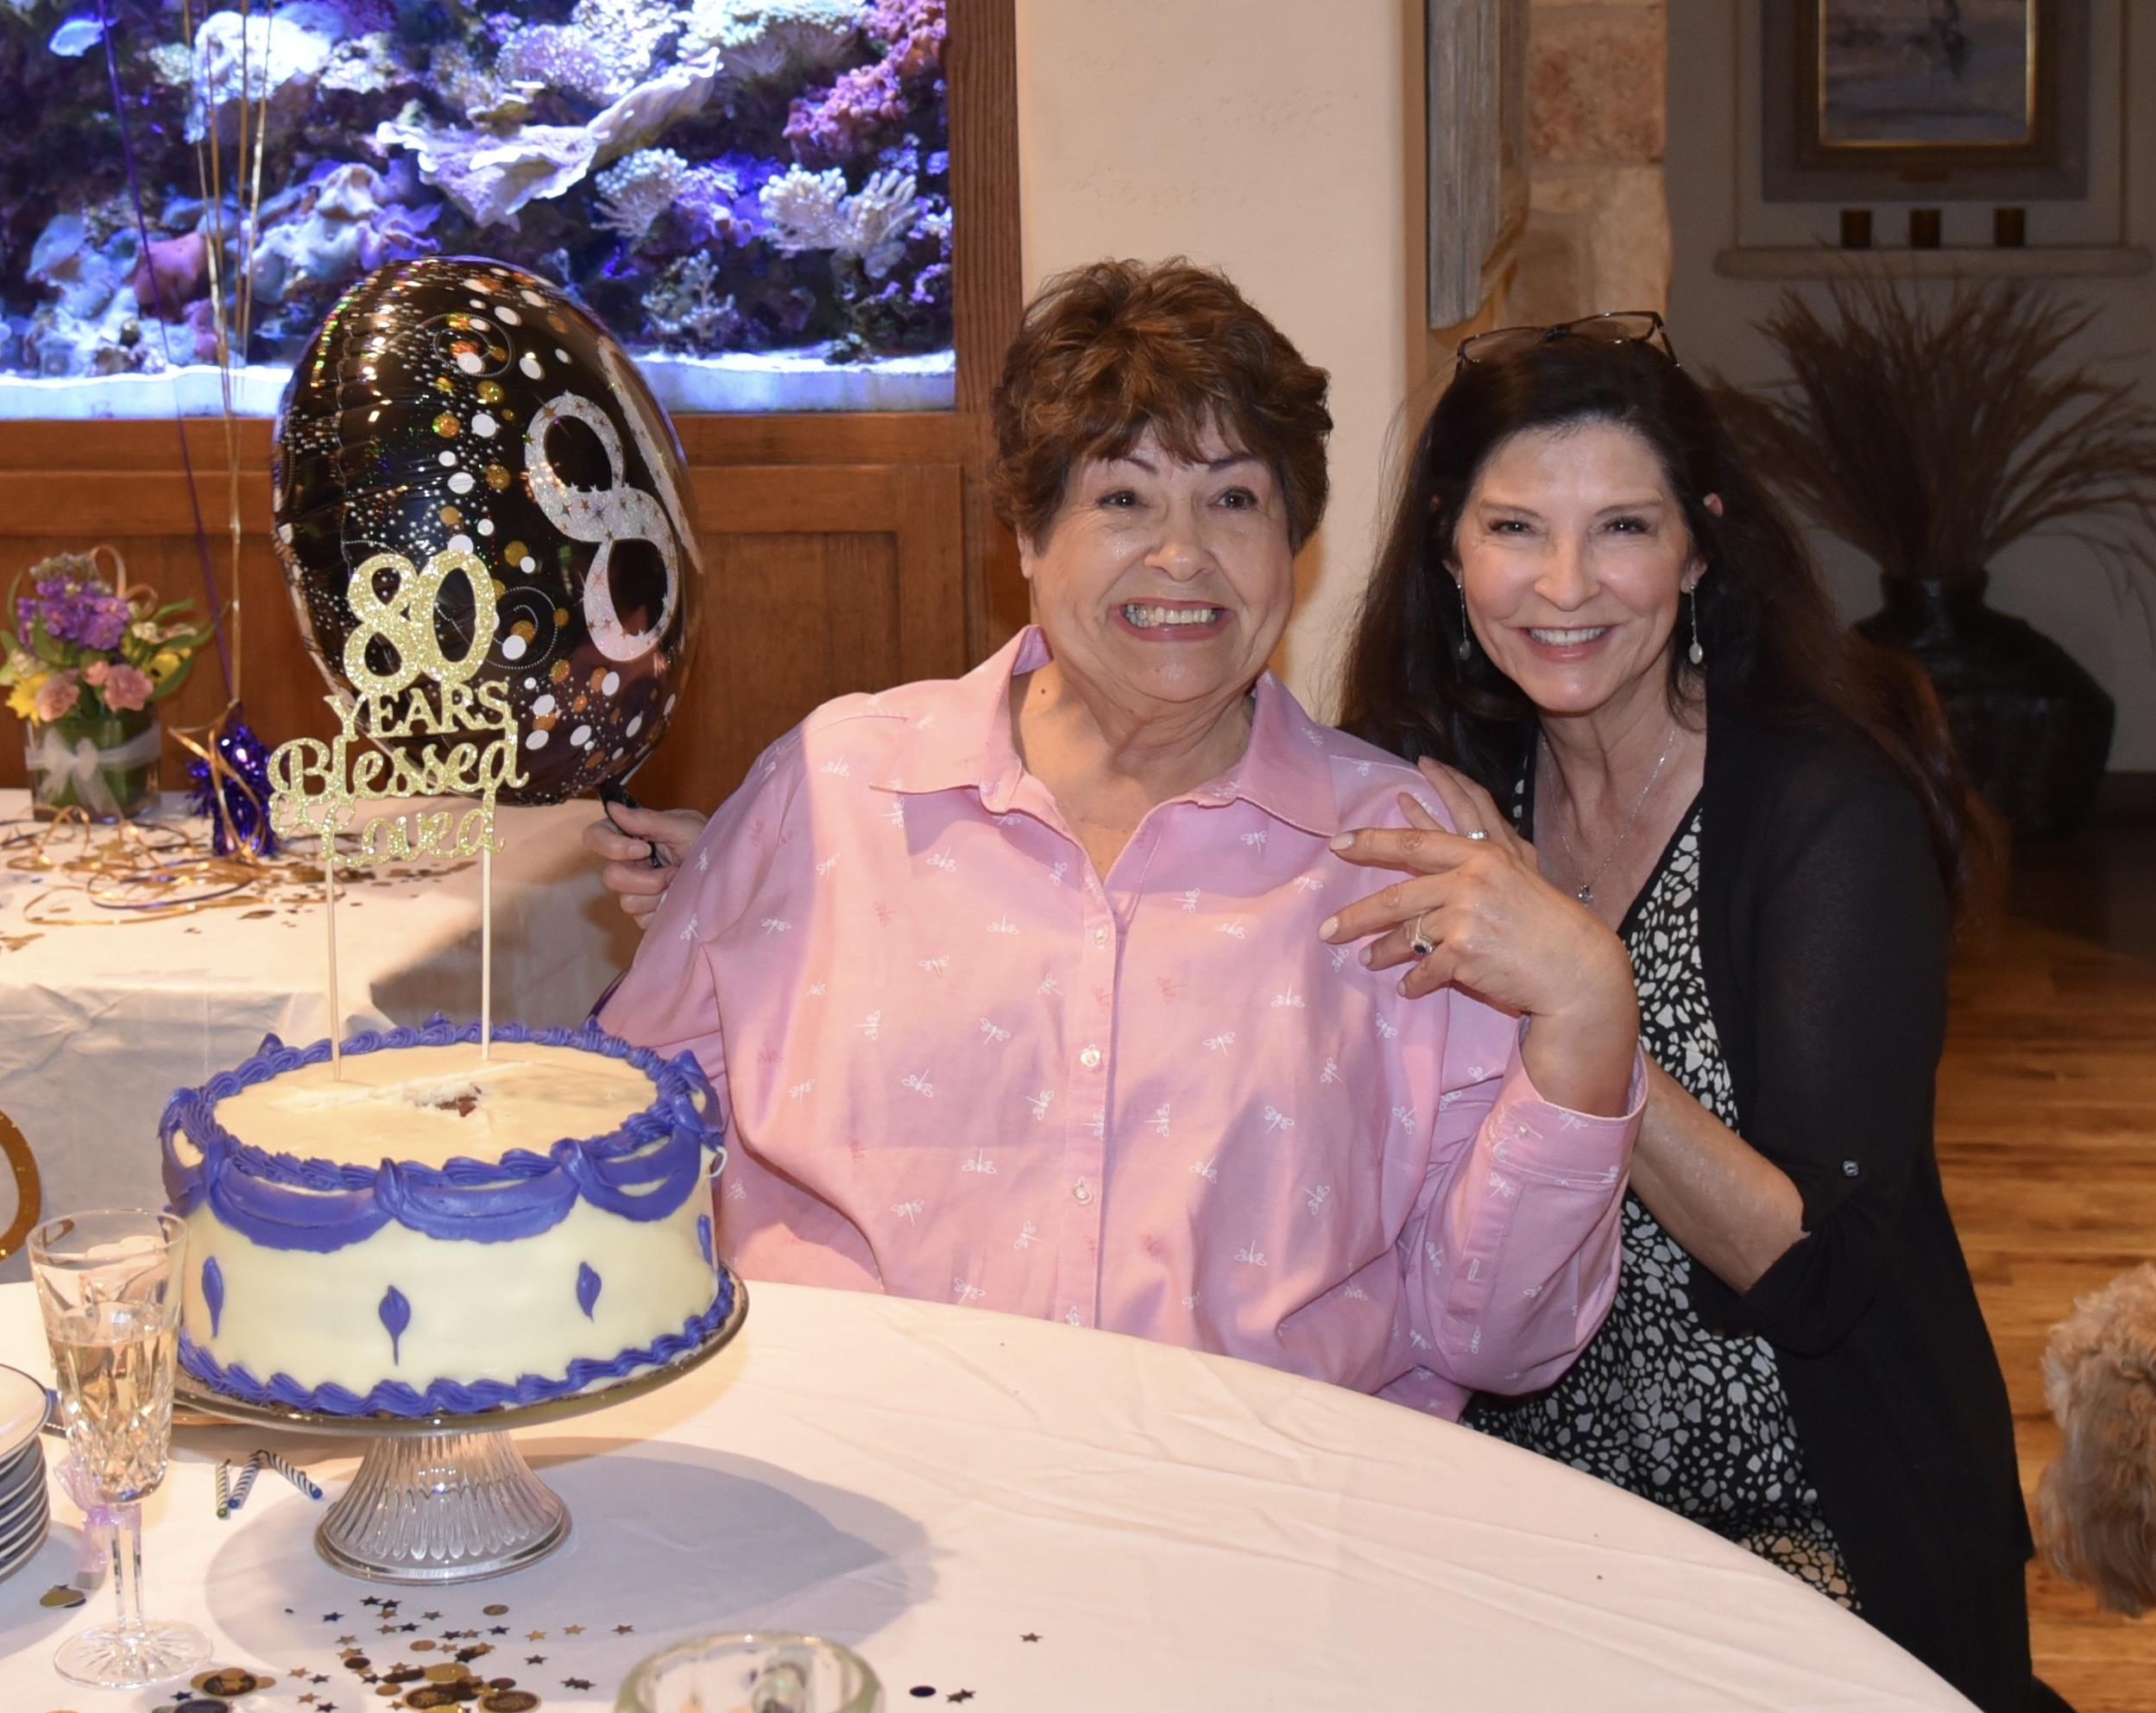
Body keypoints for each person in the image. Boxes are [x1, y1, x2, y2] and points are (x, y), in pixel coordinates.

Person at [584, 260, 1647, 1419]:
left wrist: (1590, 1016)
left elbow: (1496, 1335)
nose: (1183, 555)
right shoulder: (833, 793)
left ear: (1295, 545)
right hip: (865, 1499)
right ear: (1029, 537)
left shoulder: (1403, 857)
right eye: (1124, 498)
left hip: (1248, 1526)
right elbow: (616, 1151)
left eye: (1235, 499)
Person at [1329, 314, 2052, 1710]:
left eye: (1623, 529)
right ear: (1447, 546)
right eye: (1514, 528)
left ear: (1700, 547)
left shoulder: (1824, 807)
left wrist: (1584, 989)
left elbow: (1820, 1271)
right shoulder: (1457, 781)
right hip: (1522, 1482)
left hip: (1799, 1505)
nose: (1564, 585)